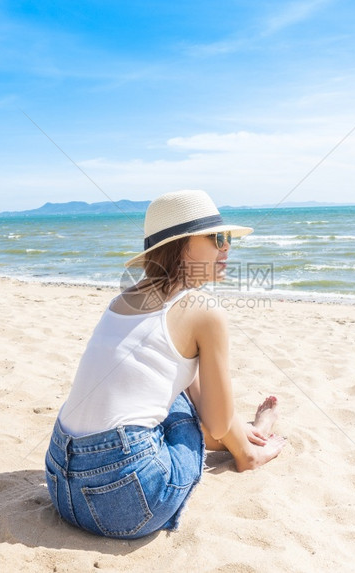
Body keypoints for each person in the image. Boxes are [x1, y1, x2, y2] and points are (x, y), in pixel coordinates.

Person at [44, 189, 285, 539]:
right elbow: (217, 423)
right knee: (190, 408)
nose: (227, 247)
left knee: (170, 389)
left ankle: (249, 434)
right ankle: (250, 449)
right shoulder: (203, 310)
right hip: (127, 499)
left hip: (60, 485)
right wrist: (230, 427)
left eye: (228, 238)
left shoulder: (121, 299)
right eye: (218, 238)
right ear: (182, 245)